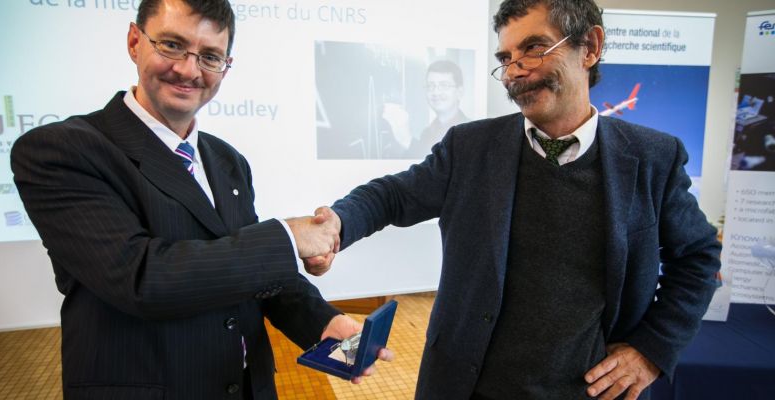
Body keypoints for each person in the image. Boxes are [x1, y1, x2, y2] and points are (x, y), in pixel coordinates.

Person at [306, 0, 721, 398]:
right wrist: (339, 223)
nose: (514, 72)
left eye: (534, 49)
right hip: (470, 389)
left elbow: (698, 258)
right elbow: (392, 195)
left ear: (590, 47)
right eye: (505, 58)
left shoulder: (652, 158)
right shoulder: (469, 148)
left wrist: (652, 349)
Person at [10, 0, 389, 398]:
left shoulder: (227, 160)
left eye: (210, 56)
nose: (190, 70)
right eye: (172, 45)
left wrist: (321, 322)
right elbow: (141, 278)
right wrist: (287, 238)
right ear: (134, 41)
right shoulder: (62, 150)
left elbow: (248, 272)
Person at [382, 60, 470, 159]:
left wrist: (407, 140)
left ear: (460, 92)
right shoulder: (427, 133)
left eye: (444, 85)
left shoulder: (471, 132)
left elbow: (443, 168)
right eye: (430, 86)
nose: (436, 92)